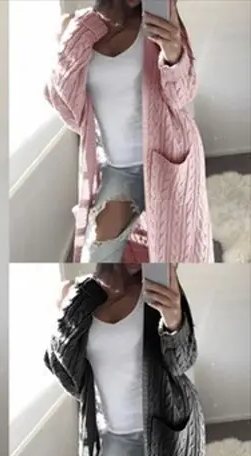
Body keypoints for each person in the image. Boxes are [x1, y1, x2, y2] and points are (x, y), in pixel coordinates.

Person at [44, 264, 212, 456]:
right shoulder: (76, 295)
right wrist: (71, 311)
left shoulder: (154, 285)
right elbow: (66, 374)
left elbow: (182, 361)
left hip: (169, 425)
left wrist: (173, 319)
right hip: (117, 435)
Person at [47, 0, 213, 264]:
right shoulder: (77, 28)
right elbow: (62, 101)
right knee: (97, 257)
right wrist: (74, 38)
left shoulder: (159, 23)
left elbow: (182, 95)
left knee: (178, 252)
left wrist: (173, 52)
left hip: (170, 158)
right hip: (119, 168)